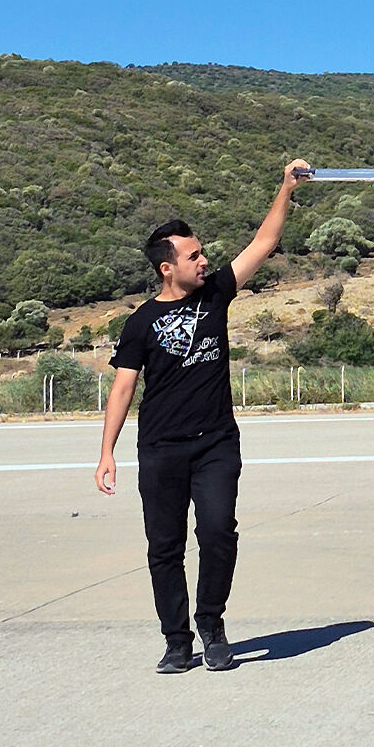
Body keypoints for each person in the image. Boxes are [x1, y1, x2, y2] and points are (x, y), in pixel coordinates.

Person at [95, 159, 311, 673]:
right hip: (162, 448)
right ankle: (177, 640)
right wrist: (106, 453)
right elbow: (123, 386)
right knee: (163, 548)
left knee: (217, 532)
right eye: (193, 255)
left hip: (215, 443)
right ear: (166, 266)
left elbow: (263, 243)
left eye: (203, 253)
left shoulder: (216, 294)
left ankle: (211, 623)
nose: (203, 260)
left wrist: (285, 189)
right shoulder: (141, 321)